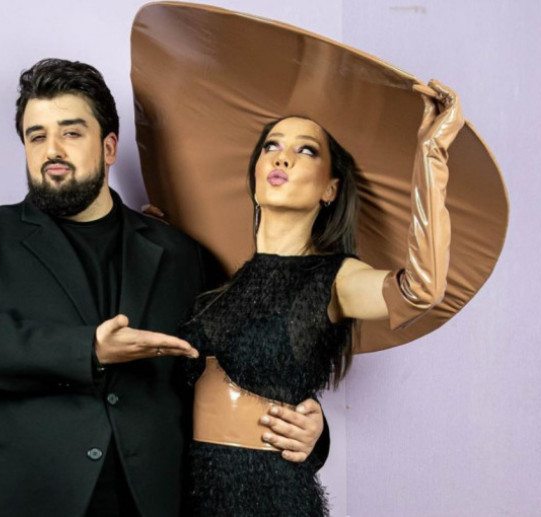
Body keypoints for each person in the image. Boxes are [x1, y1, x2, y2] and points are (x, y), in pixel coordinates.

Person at [0, 58, 327, 517]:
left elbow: (238, 359)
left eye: (71, 133)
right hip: (17, 491)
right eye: (36, 136)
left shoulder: (180, 252)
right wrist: (90, 350)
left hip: (148, 497)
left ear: (109, 147)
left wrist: (308, 428)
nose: (52, 149)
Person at [181, 80, 464, 516]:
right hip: (195, 494)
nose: (283, 157)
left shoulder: (336, 277)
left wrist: (432, 153)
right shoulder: (221, 282)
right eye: (271, 146)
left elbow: (420, 289)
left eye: (306, 150)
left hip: (270, 498)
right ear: (255, 174)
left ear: (329, 189)